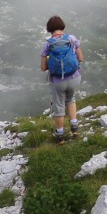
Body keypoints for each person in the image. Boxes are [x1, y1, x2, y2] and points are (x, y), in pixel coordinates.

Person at [40, 15, 84, 143]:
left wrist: (53, 63)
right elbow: (80, 58)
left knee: (59, 106)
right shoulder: (71, 39)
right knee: (71, 99)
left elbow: (43, 68)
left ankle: (60, 136)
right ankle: (74, 129)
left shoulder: (47, 44)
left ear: (49, 29)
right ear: (62, 26)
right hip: (75, 77)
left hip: (58, 81)